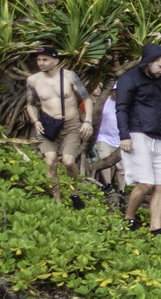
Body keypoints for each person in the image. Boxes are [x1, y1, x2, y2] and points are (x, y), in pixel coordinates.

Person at [113, 44, 161, 233]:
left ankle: (155, 228)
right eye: (160, 67)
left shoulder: (158, 80)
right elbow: (121, 108)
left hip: (157, 135)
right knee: (146, 183)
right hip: (137, 133)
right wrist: (124, 136)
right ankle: (129, 217)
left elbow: (158, 109)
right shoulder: (128, 79)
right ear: (149, 62)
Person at [22, 46, 94, 208]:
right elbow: (30, 104)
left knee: (68, 162)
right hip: (48, 124)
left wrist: (88, 121)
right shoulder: (33, 80)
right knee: (50, 161)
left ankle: (74, 193)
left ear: (56, 61)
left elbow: (87, 99)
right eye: (39, 60)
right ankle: (57, 201)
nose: (41, 63)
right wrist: (35, 121)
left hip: (70, 124)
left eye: (45, 60)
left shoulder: (69, 76)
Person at [91, 91, 125, 202]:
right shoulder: (103, 101)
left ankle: (121, 191)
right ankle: (108, 184)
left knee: (121, 168)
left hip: (120, 138)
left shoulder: (125, 101)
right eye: (115, 90)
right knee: (104, 158)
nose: (117, 93)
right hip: (103, 136)